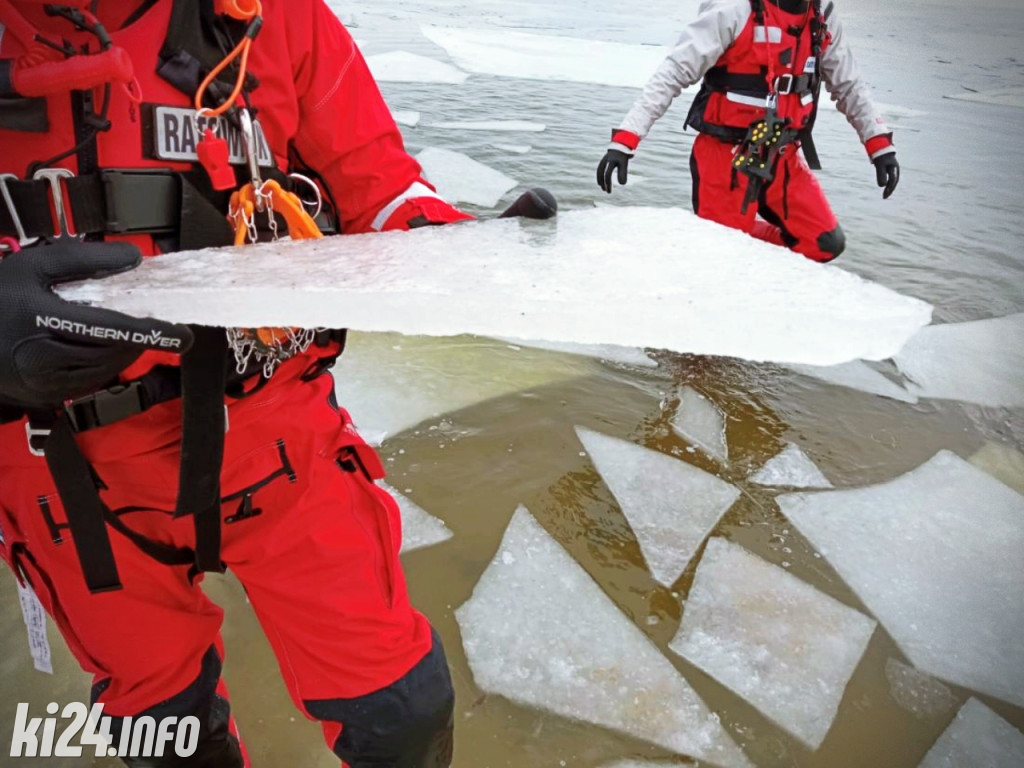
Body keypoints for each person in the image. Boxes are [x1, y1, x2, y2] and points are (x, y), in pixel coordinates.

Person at [0, 0, 471, 765]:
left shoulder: (280, 18)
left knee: (402, 712)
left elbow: (381, 188)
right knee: (165, 739)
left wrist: (455, 247)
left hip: (273, 442)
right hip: (60, 478)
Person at [596, 0, 901, 263]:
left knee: (824, 244)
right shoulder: (733, 8)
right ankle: (703, 240)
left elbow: (849, 84)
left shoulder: (822, 14)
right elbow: (672, 74)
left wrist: (879, 146)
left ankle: (730, 246)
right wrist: (625, 140)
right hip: (724, 157)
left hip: (782, 155)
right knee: (724, 254)